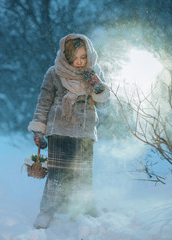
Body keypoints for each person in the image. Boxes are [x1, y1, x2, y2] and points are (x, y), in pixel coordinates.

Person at [28, 33, 110, 229]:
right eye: (75, 58)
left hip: (84, 132)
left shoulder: (94, 72)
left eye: (83, 57)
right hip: (59, 130)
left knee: (82, 175)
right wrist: (38, 129)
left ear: (89, 55)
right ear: (67, 56)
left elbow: (105, 104)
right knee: (56, 175)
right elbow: (44, 102)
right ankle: (47, 211)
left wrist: (96, 86)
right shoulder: (54, 72)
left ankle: (83, 209)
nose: (79, 62)